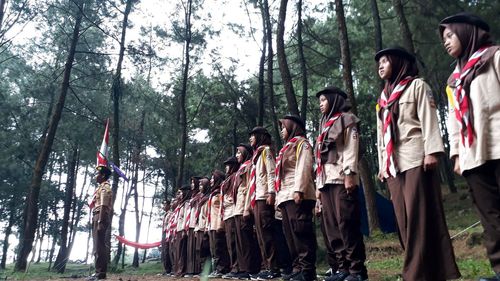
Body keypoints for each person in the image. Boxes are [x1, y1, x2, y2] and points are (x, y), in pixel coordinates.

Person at [375, 46, 461, 281]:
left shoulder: (417, 86)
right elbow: (381, 136)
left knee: (419, 218)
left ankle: (414, 274)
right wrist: (383, 164)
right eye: (378, 63)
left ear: (398, 61)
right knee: (403, 220)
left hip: (416, 158)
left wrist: (432, 151)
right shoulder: (383, 99)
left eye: (384, 61)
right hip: (394, 166)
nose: (380, 66)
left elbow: (429, 119)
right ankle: (428, 272)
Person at [439, 12, 500, 281]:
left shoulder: (495, 56)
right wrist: (457, 155)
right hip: (473, 154)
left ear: (466, 31)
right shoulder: (454, 79)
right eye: (443, 40)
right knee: (489, 215)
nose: (446, 42)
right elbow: (453, 120)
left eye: (450, 35)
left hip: (498, 144)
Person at [315, 87, 368, 281]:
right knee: (332, 227)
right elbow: (319, 160)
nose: (320, 104)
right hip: (326, 182)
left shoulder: (347, 119)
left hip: (341, 178)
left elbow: (350, 149)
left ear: (333, 99)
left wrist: (349, 174)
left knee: (347, 223)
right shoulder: (324, 125)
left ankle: (356, 270)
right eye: (319, 101)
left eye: (323, 100)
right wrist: (318, 187)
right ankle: (342, 269)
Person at [246, 126, 291, 280]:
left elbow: (272, 173)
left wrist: (272, 193)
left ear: (260, 137)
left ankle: (274, 267)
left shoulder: (266, 151)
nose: (250, 138)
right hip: (257, 198)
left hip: (265, 197)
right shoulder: (256, 155)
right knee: (260, 235)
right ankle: (267, 266)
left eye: (253, 135)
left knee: (267, 233)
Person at [275, 115, 317, 281]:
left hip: (298, 194)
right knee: (290, 235)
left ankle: (307, 270)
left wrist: (299, 190)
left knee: (301, 232)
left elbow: (304, 166)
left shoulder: (302, 143)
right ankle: (297, 268)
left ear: (292, 127)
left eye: (284, 127)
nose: (282, 131)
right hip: (285, 196)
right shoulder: (286, 148)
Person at [233, 143, 262, 279]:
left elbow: (250, 187)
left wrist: (246, 208)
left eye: (239, 153)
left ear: (245, 153)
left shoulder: (249, 165)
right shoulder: (241, 168)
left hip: (245, 207)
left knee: (247, 240)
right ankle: (243, 267)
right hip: (237, 208)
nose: (236, 155)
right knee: (240, 240)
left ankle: (251, 268)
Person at [88, 165, 113, 280]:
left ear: (103, 175)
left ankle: (100, 273)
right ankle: (98, 271)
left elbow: (103, 204)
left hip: (100, 215)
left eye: (98, 174)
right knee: (97, 245)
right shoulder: (100, 187)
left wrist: (100, 221)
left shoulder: (105, 187)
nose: (96, 176)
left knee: (99, 246)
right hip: (97, 215)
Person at [221, 156, 242, 279]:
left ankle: (237, 267)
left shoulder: (235, 177)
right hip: (227, 213)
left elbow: (234, 195)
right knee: (230, 243)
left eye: (228, 165)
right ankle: (234, 267)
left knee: (235, 242)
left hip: (234, 211)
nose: (226, 167)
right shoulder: (228, 179)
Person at [208, 170, 231, 277]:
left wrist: (220, 224)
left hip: (218, 224)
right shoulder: (213, 193)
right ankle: (217, 268)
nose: (211, 181)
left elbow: (221, 209)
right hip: (211, 224)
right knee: (214, 249)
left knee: (219, 247)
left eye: (213, 178)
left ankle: (222, 268)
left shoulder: (219, 192)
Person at [194, 177, 212, 275]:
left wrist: (206, 226)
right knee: (199, 250)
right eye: (199, 185)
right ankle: (202, 270)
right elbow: (199, 216)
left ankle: (208, 270)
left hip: (205, 227)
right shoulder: (201, 199)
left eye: (202, 185)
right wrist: (196, 228)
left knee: (206, 249)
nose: (200, 187)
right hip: (199, 227)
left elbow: (207, 214)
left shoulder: (207, 198)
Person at [160, 200, 172, 275]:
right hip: (163, 233)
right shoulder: (165, 215)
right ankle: (165, 268)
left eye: (165, 205)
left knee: (167, 251)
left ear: (169, 205)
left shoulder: (170, 214)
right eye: (163, 205)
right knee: (164, 251)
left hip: (168, 233)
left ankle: (169, 269)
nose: (163, 206)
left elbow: (169, 225)